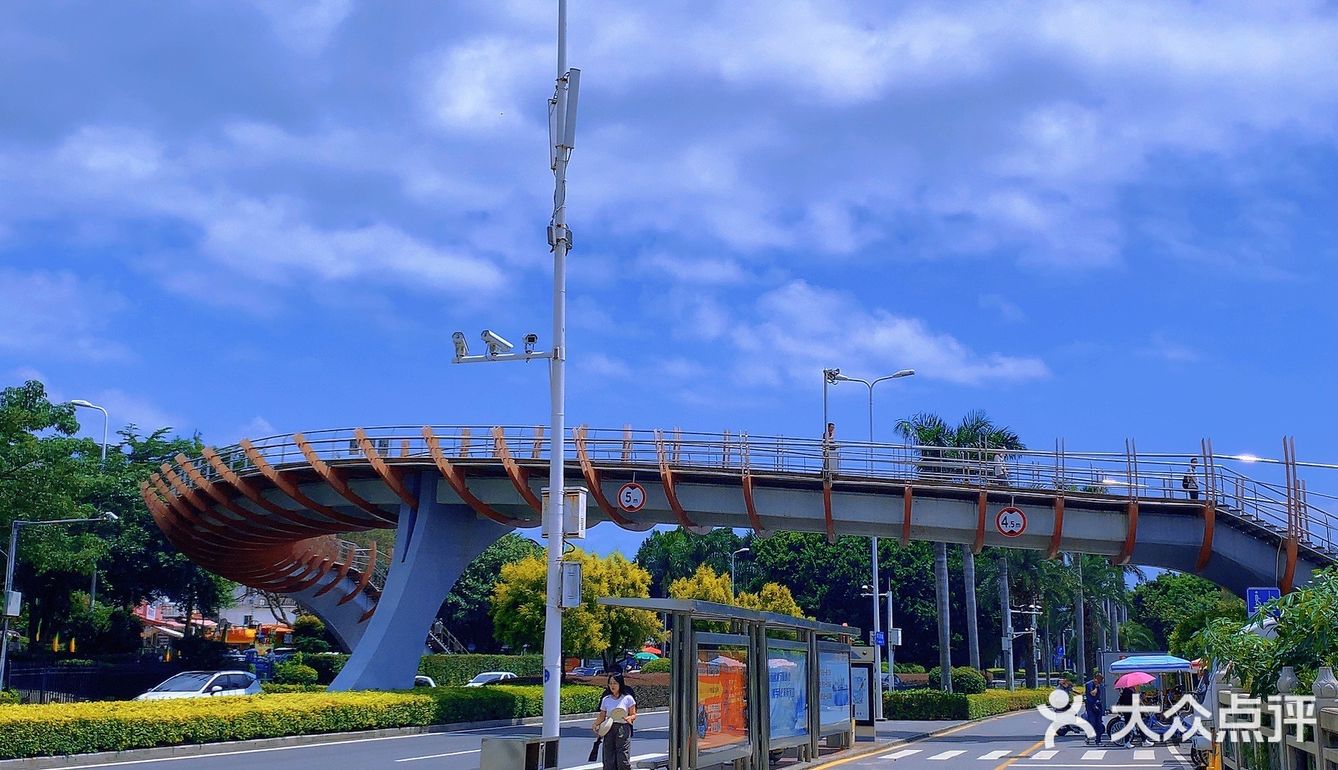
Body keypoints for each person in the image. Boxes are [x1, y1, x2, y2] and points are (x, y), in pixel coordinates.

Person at [594, 674, 637, 770]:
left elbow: (633, 714)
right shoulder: (606, 699)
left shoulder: (627, 698)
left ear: (620, 684)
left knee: (622, 756)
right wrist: (596, 725)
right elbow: (602, 715)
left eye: (615, 683)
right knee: (608, 756)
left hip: (623, 727)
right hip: (608, 727)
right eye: (610, 683)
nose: (612, 686)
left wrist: (630, 718)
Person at [1083, 673, 1106, 745]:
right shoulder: (1089, 684)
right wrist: (1096, 687)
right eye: (1100, 680)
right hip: (1090, 706)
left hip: (1098, 705)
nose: (1101, 682)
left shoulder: (1099, 685)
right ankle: (1088, 736)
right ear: (1095, 678)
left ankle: (1098, 740)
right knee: (1092, 722)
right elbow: (1092, 693)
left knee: (1099, 723)